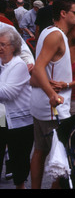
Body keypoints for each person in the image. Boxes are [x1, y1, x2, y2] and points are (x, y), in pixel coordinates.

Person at [30, 0, 75, 189]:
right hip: (53, 108)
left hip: (41, 105)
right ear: (63, 13)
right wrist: (51, 93)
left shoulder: (49, 31)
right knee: (60, 158)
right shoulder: (56, 35)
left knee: (40, 151)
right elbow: (38, 68)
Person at [0, 26, 34, 189]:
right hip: (3, 118)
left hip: (21, 121)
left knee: (19, 161)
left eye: (3, 44)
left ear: (13, 47)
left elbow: (7, 93)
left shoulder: (18, 65)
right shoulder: (2, 64)